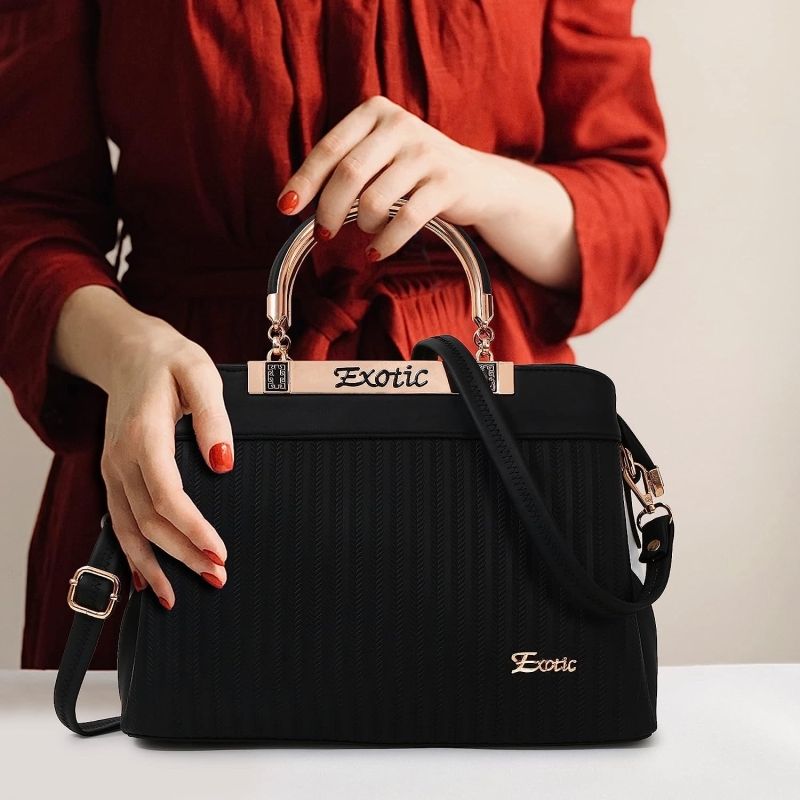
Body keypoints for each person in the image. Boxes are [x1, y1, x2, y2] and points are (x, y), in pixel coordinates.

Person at [0, 1, 668, 669]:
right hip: (184, 418)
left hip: (480, 436)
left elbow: (628, 196)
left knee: (506, 713)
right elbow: (23, 216)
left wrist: (480, 181)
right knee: (158, 723)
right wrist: (127, 349)